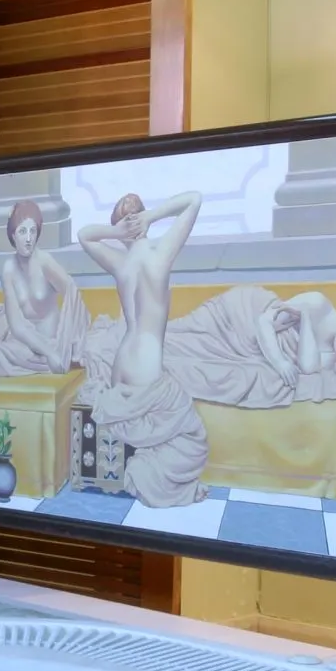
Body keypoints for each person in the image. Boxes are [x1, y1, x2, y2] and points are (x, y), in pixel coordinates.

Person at [76, 191, 209, 507]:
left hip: (121, 366)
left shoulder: (121, 263)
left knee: (168, 424)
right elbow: (194, 199)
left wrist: (116, 232)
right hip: (144, 367)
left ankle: (139, 469)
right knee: (194, 436)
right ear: (141, 219)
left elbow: (84, 235)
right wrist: (151, 217)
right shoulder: (160, 253)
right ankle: (151, 477)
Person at [0, 199, 97, 414]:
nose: (29, 238)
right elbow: (17, 324)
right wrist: (47, 352)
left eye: (33, 231)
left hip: (54, 344)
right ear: (13, 235)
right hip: (28, 346)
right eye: (23, 231)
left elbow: (72, 292)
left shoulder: (45, 262)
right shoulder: (8, 269)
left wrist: (64, 345)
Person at [160, 287, 336, 408]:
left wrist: (305, 320)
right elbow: (264, 321)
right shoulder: (318, 303)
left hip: (254, 346)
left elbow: (308, 367)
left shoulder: (335, 356)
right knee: (179, 334)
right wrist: (279, 362)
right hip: (242, 316)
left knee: (177, 350)